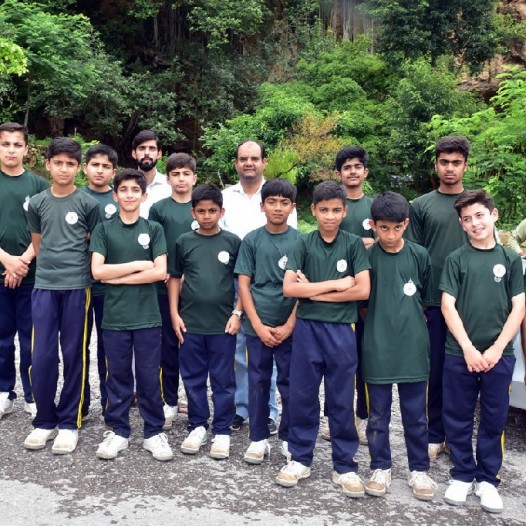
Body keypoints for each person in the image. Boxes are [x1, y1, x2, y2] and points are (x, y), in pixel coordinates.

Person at [276, 180, 370, 497]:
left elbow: (362, 290)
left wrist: (313, 292)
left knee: (341, 399)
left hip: (342, 330)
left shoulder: (353, 245)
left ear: (345, 211)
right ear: (313, 210)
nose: (330, 216)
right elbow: (290, 288)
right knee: (303, 395)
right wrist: (336, 285)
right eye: (324, 210)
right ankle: (300, 458)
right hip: (307, 329)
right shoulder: (303, 244)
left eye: (336, 210)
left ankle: (344, 465)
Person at [440, 189, 525, 514]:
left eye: (480, 215)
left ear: (494, 215)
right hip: (459, 353)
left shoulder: (510, 260)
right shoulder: (456, 259)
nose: (475, 223)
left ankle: (487, 479)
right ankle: (462, 474)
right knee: (458, 416)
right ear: (461, 225)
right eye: (467, 219)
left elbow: (519, 307)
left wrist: (496, 349)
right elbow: (448, 306)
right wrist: (469, 349)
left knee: (494, 417)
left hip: (498, 356)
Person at [90, 168, 173, 462]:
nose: (129, 195)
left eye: (135, 190)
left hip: (148, 316)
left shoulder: (154, 229)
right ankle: (119, 430)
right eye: (123, 190)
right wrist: (140, 264)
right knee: (118, 376)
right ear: (115, 195)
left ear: (144, 196)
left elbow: (160, 272)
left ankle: (153, 432)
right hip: (115, 317)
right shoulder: (103, 230)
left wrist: (117, 278)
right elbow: (97, 271)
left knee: (149, 376)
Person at [24, 137, 100, 454]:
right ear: (48, 165)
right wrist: (50, 270)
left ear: (78, 168)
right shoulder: (37, 203)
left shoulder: (88, 204)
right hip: (44, 286)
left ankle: (69, 422)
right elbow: (38, 244)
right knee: (41, 355)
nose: (64, 169)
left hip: (77, 287)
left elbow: (93, 242)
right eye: (58, 163)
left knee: (74, 354)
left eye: (70, 164)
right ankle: (44, 420)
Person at [360, 191, 436, 501]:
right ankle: (380, 467)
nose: (390, 235)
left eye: (397, 228)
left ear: (406, 224)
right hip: (377, 345)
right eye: (383, 228)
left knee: (416, 415)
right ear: (373, 225)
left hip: (412, 347)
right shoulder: (366, 257)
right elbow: (362, 304)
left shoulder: (420, 255)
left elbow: (426, 300)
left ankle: (419, 469)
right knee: (378, 415)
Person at [221, 140, 297, 434]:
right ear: (236, 163)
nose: (249, 163)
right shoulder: (226, 197)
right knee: (241, 349)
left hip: (275, 284)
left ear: (264, 161)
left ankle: (269, 412)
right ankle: (242, 407)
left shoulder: (277, 193)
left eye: (254, 158)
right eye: (243, 158)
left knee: (272, 349)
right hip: (235, 278)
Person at [405, 135, 470, 460]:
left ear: (465, 165)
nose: (449, 168)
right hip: (431, 301)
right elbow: (413, 257)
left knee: (462, 372)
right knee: (434, 371)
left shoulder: (474, 206)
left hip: (468, 303)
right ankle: (434, 435)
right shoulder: (421, 205)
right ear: (436, 164)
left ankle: (457, 437)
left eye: (456, 162)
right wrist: (416, 302)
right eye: (444, 162)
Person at [169, 184, 241, 460]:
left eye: (212, 210)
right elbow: (175, 278)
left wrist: (237, 313)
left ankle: (222, 430)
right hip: (190, 324)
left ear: (222, 211)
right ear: (193, 213)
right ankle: (197, 424)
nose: (207, 216)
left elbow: (243, 281)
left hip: (223, 326)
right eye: (201, 211)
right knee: (193, 377)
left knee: (223, 380)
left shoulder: (233, 242)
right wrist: (174, 314)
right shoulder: (184, 242)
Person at [235, 179, 300, 464]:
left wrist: (289, 325)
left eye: (284, 203)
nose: (277, 208)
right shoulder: (251, 240)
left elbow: (304, 288)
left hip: (290, 327)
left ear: (292, 207)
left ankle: (288, 437)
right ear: (262, 206)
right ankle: (258, 438)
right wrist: (257, 325)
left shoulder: (300, 241)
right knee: (258, 381)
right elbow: (243, 284)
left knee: (290, 383)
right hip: (256, 327)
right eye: (271, 202)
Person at [326, 145, 375, 445]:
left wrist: (368, 242)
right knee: (337, 363)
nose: (353, 171)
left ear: (365, 171)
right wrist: (363, 241)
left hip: (368, 297)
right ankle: (336, 419)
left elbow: (386, 240)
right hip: (337, 293)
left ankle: (365, 418)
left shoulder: (374, 206)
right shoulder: (333, 206)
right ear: (339, 173)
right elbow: (329, 241)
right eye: (347, 167)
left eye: (357, 166)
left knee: (365, 362)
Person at [0, 122, 48, 420]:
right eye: (5, 144)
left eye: (17, 145)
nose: (11, 150)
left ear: (26, 149)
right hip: (1, 271)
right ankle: (4, 392)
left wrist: (23, 261)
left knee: (32, 339)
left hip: (32, 276)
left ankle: (33, 394)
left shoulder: (39, 185)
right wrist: (7, 260)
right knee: (2, 338)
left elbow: (46, 229)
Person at [149, 153, 197, 429]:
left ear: (194, 178)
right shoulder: (159, 209)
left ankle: (194, 400)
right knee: (167, 345)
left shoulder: (201, 207)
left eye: (186, 174)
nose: (181, 179)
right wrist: (166, 271)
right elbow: (155, 244)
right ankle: (168, 400)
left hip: (196, 289)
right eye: (175, 174)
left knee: (191, 345)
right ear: (168, 179)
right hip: (163, 286)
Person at [81, 144, 118, 416]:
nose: (100, 170)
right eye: (95, 165)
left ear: (113, 172)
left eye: (106, 166)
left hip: (110, 285)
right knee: (78, 346)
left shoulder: (119, 199)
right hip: (79, 283)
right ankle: (80, 403)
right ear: (85, 168)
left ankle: (110, 405)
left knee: (109, 347)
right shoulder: (75, 197)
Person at [131, 130, 170, 219]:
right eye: (142, 148)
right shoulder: (123, 187)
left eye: (152, 148)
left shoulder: (169, 186)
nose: (147, 153)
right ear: (134, 153)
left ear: (159, 154)